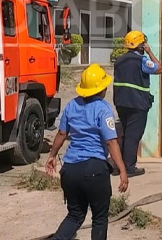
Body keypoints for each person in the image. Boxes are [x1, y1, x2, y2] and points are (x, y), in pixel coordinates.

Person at [46, 64, 128, 240]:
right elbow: (111, 141)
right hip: (95, 170)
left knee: (75, 216)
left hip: (70, 170)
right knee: (99, 218)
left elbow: (61, 133)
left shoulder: (71, 105)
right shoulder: (103, 109)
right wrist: (122, 170)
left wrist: (52, 155)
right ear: (102, 89)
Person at [112, 30, 162, 178]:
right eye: (143, 44)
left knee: (125, 133)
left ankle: (118, 165)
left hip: (121, 102)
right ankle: (128, 168)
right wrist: (150, 51)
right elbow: (159, 68)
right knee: (133, 136)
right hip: (137, 104)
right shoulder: (142, 61)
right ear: (141, 46)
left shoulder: (119, 60)